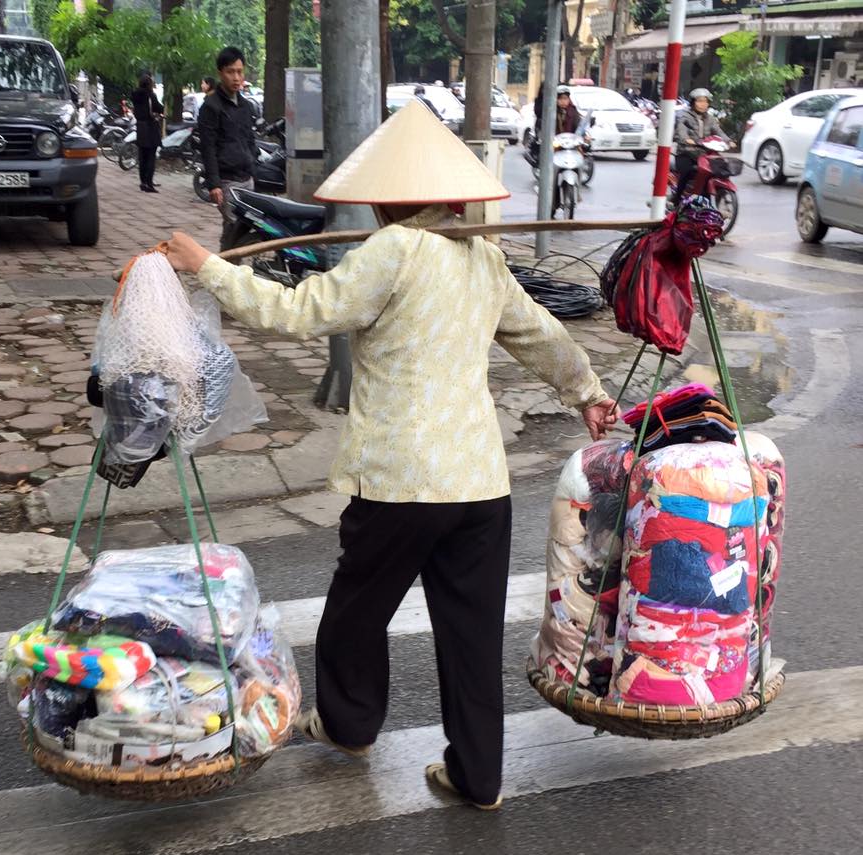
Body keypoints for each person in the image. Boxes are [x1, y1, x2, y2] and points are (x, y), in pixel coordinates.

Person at [162, 101, 618, 811]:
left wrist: (208, 267)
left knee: (353, 611)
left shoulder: (393, 251)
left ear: (390, 198)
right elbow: (542, 335)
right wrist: (587, 390)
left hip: (402, 483)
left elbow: (298, 311)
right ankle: (478, 776)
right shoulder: (485, 260)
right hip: (477, 485)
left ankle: (348, 724)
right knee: (469, 636)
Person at [198, 46, 257, 250]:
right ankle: (228, 270)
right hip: (226, 181)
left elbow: (250, 139)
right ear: (220, 73)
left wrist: (253, 164)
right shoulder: (211, 106)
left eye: (239, 72)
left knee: (239, 230)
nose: (236, 77)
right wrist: (214, 184)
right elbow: (208, 147)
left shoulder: (246, 106)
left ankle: (228, 269)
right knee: (234, 226)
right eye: (230, 72)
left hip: (246, 177)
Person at [673, 87, 735, 202]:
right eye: (700, 101)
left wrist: (728, 140)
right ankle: (676, 200)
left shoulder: (710, 118)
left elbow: (718, 131)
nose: (703, 104)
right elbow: (681, 131)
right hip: (686, 152)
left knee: (719, 169)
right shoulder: (684, 116)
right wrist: (687, 139)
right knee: (687, 171)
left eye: (705, 101)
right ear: (693, 102)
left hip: (703, 153)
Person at [130, 73, 163, 194]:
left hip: (140, 126)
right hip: (150, 126)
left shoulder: (134, 94)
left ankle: (142, 182)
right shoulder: (150, 95)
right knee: (151, 156)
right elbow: (158, 108)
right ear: (149, 84)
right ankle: (149, 183)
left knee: (142, 156)